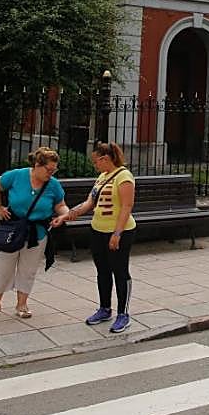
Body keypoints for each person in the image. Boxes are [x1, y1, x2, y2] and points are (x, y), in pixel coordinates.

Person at [0, 146, 69, 319]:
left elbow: (60, 204)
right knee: (2, 266)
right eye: (49, 169)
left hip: (37, 232)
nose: (51, 173)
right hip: (12, 228)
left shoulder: (53, 185)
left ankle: (22, 304)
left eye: (54, 170)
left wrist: (64, 215)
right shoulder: (17, 175)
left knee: (28, 269)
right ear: (37, 165)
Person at [57, 141, 137, 333]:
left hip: (119, 232)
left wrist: (117, 233)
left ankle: (123, 314)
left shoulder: (124, 177)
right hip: (98, 230)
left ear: (106, 159)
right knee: (102, 271)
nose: (95, 165)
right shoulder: (102, 177)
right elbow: (90, 202)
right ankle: (104, 308)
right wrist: (66, 216)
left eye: (96, 161)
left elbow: (127, 206)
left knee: (120, 271)